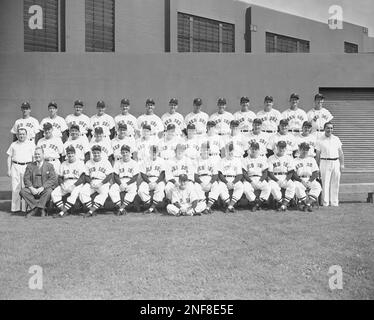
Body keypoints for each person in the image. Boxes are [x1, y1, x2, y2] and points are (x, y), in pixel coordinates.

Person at [20, 147, 57, 217]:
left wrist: (43, 187)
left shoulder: (49, 166)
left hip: (44, 190)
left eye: (39, 154)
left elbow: (52, 179)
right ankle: (36, 208)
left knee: (49, 191)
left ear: (43, 155)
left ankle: (37, 209)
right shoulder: (30, 166)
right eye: (36, 154)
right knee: (23, 191)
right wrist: (31, 188)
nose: (37, 156)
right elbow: (26, 179)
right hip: (33, 189)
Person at [51, 146, 87, 218]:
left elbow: (83, 177)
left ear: (75, 153)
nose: (70, 155)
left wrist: (74, 186)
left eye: (72, 153)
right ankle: (64, 211)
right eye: (68, 153)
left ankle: (62, 212)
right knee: (54, 193)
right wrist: (61, 185)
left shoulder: (80, 163)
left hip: (76, 183)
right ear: (66, 154)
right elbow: (60, 177)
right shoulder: (63, 163)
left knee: (74, 194)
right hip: (66, 182)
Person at [79, 145, 113, 217]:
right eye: (94, 153)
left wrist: (101, 183)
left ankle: (91, 211)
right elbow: (86, 175)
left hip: (102, 182)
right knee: (82, 192)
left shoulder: (106, 162)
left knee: (104, 193)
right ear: (92, 153)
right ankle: (92, 210)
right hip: (92, 181)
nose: (96, 154)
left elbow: (109, 175)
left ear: (100, 153)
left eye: (98, 152)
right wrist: (90, 182)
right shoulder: (88, 162)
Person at [7, 128, 36, 212]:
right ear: (17, 135)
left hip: (27, 167)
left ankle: (25, 208)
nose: (21, 136)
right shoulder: (13, 145)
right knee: (15, 188)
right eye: (20, 134)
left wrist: (33, 169)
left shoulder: (31, 144)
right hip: (15, 166)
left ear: (26, 135)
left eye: (23, 134)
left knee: (25, 188)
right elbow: (9, 158)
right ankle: (15, 208)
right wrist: (8, 170)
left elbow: (34, 158)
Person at [315, 122, 344, 207]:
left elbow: (341, 153)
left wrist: (342, 164)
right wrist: (317, 168)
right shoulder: (320, 140)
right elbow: (317, 156)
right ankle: (325, 202)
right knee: (325, 183)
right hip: (324, 162)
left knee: (335, 182)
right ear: (324, 129)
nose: (329, 130)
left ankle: (334, 202)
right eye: (328, 128)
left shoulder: (336, 139)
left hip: (336, 162)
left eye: (331, 128)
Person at [109, 145, 139, 216]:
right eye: (123, 152)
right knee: (112, 190)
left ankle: (121, 208)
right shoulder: (118, 162)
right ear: (121, 153)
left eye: (126, 152)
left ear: (130, 153)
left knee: (133, 190)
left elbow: (135, 176)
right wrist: (120, 184)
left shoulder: (134, 163)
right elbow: (115, 175)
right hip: (120, 180)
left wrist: (127, 184)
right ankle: (121, 207)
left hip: (130, 181)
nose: (125, 154)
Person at [267, 141, 296, 211]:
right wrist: (277, 180)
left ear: (286, 148)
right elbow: (269, 173)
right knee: (272, 187)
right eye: (280, 147)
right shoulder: (271, 158)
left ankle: (284, 204)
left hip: (285, 177)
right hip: (274, 178)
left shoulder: (289, 158)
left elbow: (291, 172)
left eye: (283, 147)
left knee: (292, 185)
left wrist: (286, 180)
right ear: (277, 147)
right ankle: (281, 203)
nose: (281, 149)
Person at [242, 142, 271, 211]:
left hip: (259, 178)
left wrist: (260, 181)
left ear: (258, 150)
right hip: (249, 179)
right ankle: (255, 202)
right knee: (245, 188)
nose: (254, 150)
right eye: (252, 148)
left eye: (256, 149)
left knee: (268, 187)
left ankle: (257, 204)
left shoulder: (262, 159)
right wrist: (251, 181)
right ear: (249, 149)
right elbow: (244, 173)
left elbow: (265, 172)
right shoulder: (245, 159)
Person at [293, 143, 321, 212]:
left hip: (310, 179)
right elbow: (293, 173)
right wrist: (301, 181)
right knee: (296, 186)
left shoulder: (312, 160)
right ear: (299, 150)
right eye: (303, 149)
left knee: (317, 186)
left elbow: (316, 172)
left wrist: (310, 181)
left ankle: (308, 204)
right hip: (299, 180)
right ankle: (307, 204)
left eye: (307, 149)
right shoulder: (294, 161)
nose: (305, 151)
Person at [138, 145, 166, 214]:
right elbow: (143, 174)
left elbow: (163, 174)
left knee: (160, 190)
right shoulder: (145, 160)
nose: (154, 153)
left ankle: (151, 208)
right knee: (141, 190)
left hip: (158, 179)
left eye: (155, 151)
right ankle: (152, 206)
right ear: (149, 152)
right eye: (152, 151)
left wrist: (156, 182)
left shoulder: (161, 161)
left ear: (158, 152)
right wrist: (149, 182)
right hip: (147, 179)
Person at [217, 143, 244, 213]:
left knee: (240, 186)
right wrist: (226, 182)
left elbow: (240, 175)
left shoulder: (237, 160)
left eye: (232, 151)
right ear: (226, 151)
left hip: (234, 179)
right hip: (224, 180)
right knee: (220, 186)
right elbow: (220, 174)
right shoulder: (222, 160)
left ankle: (230, 205)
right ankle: (230, 205)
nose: (230, 153)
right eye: (229, 151)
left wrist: (233, 183)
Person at [194, 142, 220, 214]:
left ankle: (208, 207)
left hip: (209, 178)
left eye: (206, 149)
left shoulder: (213, 160)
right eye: (203, 149)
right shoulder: (196, 160)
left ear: (209, 151)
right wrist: (201, 183)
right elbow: (195, 175)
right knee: (196, 186)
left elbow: (215, 175)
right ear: (201, 150)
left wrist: (210, 184)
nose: (205, 151)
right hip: (200, 179)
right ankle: (203, 206)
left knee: (216, 186)